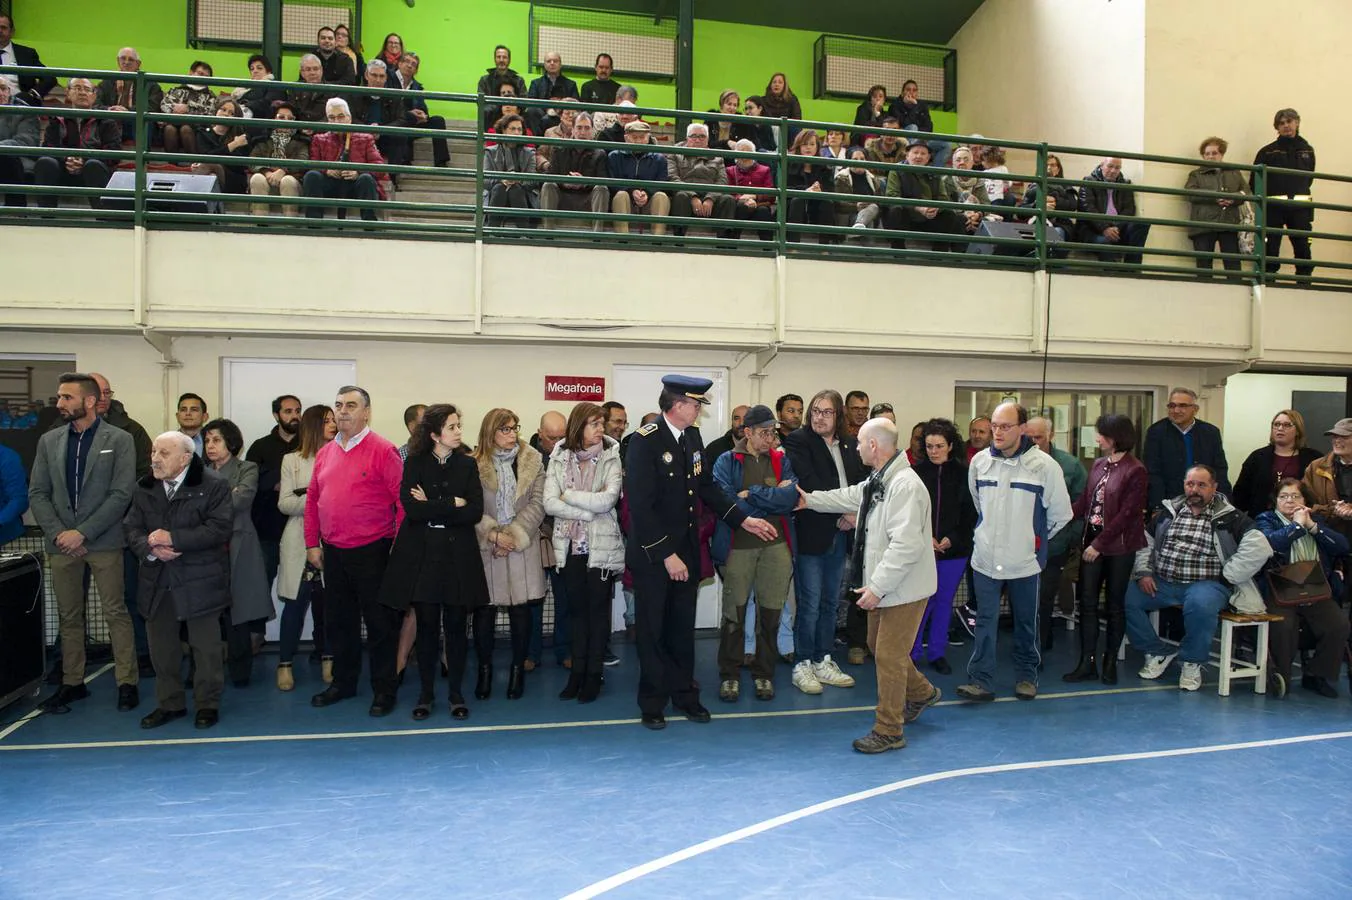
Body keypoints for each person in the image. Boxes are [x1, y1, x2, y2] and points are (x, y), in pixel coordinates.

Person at [625, 375, 777, 729]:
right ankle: (652, 702)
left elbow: (706, 487)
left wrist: (744, 519)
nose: (698, 412)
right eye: (696, 405)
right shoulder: (643, 442)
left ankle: (684, 695)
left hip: (687, 552)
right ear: (677, 405)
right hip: (654, 556)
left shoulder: (691, 438)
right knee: (652, 630)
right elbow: (641, 507)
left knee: (681, 629)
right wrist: (666, 554)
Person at [798, 418, 939, 754]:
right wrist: (810, 500)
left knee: (889, 656)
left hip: (902, 588)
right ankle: (921, 693)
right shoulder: (880, 480)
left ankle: (889, 730)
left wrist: (876, 587)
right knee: (881, 647)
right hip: (887, 585)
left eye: (860, 442)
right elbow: (849, 496)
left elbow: (906, 547)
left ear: (874, 446)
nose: (856, 447)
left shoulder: (905, 486)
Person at [28, 373, 139, 714]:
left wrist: (84, 532)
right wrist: (61, 533)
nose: (59, 403)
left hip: (104, 541)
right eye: (60, 397)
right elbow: (38, 492)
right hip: (61, 544)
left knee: (115, 612)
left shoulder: (119, 439)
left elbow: (122, 494)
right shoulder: (50, 441)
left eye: (66, 397)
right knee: (69, 616)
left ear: (89, 401)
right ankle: (72, 682)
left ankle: (127, 682)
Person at [378, 404, 489, 721]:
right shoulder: (413, 463)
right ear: (434, 433)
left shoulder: (467, 465)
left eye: (458, 426)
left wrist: (434, 505)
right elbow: (412, 509)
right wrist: (451, 503)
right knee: (425, 629)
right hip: (423, 557)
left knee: (456, 628)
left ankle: (455, 693)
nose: (458, 432)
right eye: (452, 427)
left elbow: (474, 512)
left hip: (457, 557)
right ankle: (425, 694)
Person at [958, 402, 1072, 703]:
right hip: (984, 559)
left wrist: (1032, 540)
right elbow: (978, 504)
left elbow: (1061, 515)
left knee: (1025, 621)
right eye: (994, 425)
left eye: (1005, 426)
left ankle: (1026, 676)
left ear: (1022, 429)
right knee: (984, 620)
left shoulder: (1045, 467)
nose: (997, 432)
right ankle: (980, 680)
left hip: (1025, 563)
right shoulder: (979, 463)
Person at [1126, 465, 1272, 691]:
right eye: (1190, 484)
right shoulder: (1169, 511)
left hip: (1208, 585)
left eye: (1201, 485)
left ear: (1214, 488)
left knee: (1200, 604)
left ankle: (1192, 661)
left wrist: (1228, 577)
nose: (1194, 490)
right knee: (1127, 597)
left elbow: (1260, 547)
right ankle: (1157, 651)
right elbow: (1146, 540)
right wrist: (1144, 572)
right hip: (1164, 581)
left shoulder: (1231, 517)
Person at [306, 386, 405, 716]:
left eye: (350, 405)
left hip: (373, 551)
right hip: (333, 552)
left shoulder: (383, 450)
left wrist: (397, 548)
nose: (342, 411)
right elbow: (312, 501)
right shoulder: (325, 453)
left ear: (367, 412)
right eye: (338, 405)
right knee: (340, 623)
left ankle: (384, 691)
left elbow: (402, 503)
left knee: (380, 627)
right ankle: (343, 684)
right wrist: (311, 543)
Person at [125, 432, 233, 730]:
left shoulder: (214, 485)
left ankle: (207, 704)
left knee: (206, 649)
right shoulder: (144, 487)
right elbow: (131, 528)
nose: (155, 459)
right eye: (153, 452)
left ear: (185, 457)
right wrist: (150, 549)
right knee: (163, 650)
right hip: (157, 578)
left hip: (201, 579)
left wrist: (175, 539)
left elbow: (219, 528)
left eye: (164, 453)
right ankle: (170, 704)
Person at [711, 405, 798, 702]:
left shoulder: (780, 460)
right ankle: (730, 675)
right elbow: (725, 502)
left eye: (774, 433)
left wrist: (752, 494)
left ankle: (764, 674)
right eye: (764, 433)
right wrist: (765, 501)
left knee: (771, 613)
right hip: (738, 548)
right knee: (733, 613)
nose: (771, 439)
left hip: (777, 547)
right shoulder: (726, 461)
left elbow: (789, 499)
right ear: (747, 432)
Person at [783, 389, 866, 693]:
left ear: (838, 415)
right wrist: (844, 510)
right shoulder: (799, 441)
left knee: (832, 602)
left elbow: (859, 483)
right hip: (813, 533)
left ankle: (823, 659)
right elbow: (809, 484)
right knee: (810, 603)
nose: (819, 417)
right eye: (815, 411)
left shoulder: (850, 444)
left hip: (843, 533)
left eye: (826, 412)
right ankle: (803, 663)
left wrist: (853, 512)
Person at [543, 403, 623, 703]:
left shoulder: (611, 457)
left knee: (597, 615)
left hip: (601, 547)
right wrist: (586, 512)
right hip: (569, 545)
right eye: (594, 424)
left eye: (602, 424)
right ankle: (576, 673)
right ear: (579, 427)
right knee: (576, 613)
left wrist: (572, 497)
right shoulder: (559, 457)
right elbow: (550, 503)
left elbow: (607, 500)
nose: (601, 429)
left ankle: (593, 674)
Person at [1062, 414, 1147, 684]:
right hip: (1093, 543)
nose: (1097, 439)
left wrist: (1099, 544)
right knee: (1086, 603)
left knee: (1114, 605)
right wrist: (1059, 515)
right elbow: (1086, 502)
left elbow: (1127, 514)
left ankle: (1109, 661)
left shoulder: (1135, 470)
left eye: (1101, 434)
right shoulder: (1098, 465)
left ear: (1114, 437)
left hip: (1119, 547)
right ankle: (1087, 661)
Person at [471, 408, 545, 700]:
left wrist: (513, 535)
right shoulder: (473, 465)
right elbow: (472, 506)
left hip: (521, 546)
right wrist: (494, 535)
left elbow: (538, 504)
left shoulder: (533, 462)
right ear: (490, 432)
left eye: (515, 428)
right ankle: (485, 671)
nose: (512, 434)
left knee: (521, 611)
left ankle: (517, 671)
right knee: (485, 612)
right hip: (488, 547)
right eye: (505, 429)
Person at [1253, 478, 1349, 698]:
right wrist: (1296, 526)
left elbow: (1342, 546)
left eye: (1295, 496)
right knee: (1283, 625)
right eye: (1284, 496)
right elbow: (1270, 544)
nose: (1289, 501)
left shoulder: (1314, 520)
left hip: (1315, 587)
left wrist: (1312, 527)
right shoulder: (1266, 520)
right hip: (1280, 588)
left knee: (1338, 624)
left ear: (1305, 500)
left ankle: (1316, 675)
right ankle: (1280, 677)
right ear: (1275, 501)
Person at [202, 418, 275, 687]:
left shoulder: (248, 467)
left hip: (238, 546)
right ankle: (202, 671)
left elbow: (240, 500)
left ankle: (240, 671)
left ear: (231, 443)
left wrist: (207, 502)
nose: (210, 445)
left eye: (217, 440)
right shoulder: (198, 471)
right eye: (208, 440)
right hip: (206, 548)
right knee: (206, 613)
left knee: (239, 612)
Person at [276, 405, 336, 691]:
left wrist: (314, 499)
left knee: (328, 607)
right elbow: (285, 503)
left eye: (334, 420)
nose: (333, 425)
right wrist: (318, 500)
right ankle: (285, 664)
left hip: (332, 542)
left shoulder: (339, 457)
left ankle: (328, 658)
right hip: (298, 543)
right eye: (327, 421)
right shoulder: (292, 461)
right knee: (294, 607)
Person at [910, 418, 976, 675]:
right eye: (929, 446)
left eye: (939, 446)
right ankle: (913, 652)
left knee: (943, 601)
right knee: (921, 602)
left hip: (953, 551)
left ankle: (937, 652)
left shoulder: (964, 474)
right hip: (921, 550)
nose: (933, 451)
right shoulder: (914, 474)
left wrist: (952, 539)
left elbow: (970, 515)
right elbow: (909, 513)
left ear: (950, 446)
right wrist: (925, 538)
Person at [1024, 416, 1086, 653]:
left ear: (1050, 436)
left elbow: (1081, 505)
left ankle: (1040, 643)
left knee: (1045, 597)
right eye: (1028, 437)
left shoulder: (1070, 466)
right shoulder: (1017, 462)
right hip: (1022, 543)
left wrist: (1072, 538)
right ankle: (1028, 642)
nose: (1033, 442)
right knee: (1024, 598)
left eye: (1038, 437)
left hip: (1056, 544)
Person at [245, 394, 301, 601]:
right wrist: (277, 482)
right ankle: (256, 632)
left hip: (299, 527)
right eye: (288, 411)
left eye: (297, 411)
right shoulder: (260, 447)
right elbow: (251, 481)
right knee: (261, 583)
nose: (295, 416)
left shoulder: (308, 445)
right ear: (276, 416)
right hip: (266, 529)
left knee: (298, 588)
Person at [32, 78, 120, 210]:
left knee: (93, 165)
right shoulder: (57, 120)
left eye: (87, 89)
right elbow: (48, 147)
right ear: (67, 93)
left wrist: (84, 159)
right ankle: (46, 216)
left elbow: (114, 152)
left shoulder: (106, 121)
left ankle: (103, 217)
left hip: (94, 171)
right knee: (45, 162)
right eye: (77, 88)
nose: (82, 93)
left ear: (94, 95)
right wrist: (67, 159)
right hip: (63, 170)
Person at [303, 98, 389, 222]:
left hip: (355, 185)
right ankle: (313, 223)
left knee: (366, 179)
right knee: (312, 176)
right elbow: (312, 164)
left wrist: (358, 172)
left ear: (349, 118)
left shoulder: (366, 138)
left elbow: (379, 167)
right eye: (332, 118)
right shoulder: (319, 139)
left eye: (341, 116)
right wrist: (327, 170)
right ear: (327, 121)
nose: (337, 121)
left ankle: (369, 224)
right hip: (330, 184)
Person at [1252, 108, 1315, 279]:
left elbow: (1309, 178)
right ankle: (1269, 278)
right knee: (1270, 244)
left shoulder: (1307, 151)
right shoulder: (1267, 152)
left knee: (1302, 244)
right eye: (1281, 123)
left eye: (1289, 121)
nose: (1286, 126)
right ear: (1277, 128)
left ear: (1297, 122)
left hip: (1300, 207)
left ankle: (1304, 278)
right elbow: (1255, 181)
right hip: (1274, 207)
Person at [1143, 387, 1229, 512]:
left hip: (1204, 501)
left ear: (1195, 409)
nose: (1176, 410)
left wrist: (1223, 503)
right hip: (1169, 502)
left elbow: (1219, 469)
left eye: (1182, 406)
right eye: (1172, 406)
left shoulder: (1210, 432)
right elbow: (1153, 472)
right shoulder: (1156, 432)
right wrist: (1157, 506)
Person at [528, 411, 569, 671]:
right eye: (551, 437)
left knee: (564, 597)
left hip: (564, 535)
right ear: (539, 433)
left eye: (561, 437)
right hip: (533, 536)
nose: (556, 442)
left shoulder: (572, 455)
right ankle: (531, 652)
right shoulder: (527, 459)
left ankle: (564, 649)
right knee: (533, 597)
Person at [1231, 409, 1323, 518]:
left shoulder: (1313, 458)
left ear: (1298, 430)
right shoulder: (1257, 457)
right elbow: (1241, 493)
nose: (1280, 428)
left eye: (1287, 425)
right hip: (1261, 519)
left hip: (1302, 518)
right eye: (1277, 424)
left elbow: (1318, 493)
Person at [885, 139, 963, 251]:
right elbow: (892, 196)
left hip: (929, 217)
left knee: (949, 214)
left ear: (928, 158)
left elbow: (943, 198)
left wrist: (935, 208)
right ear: (907, 155)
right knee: (896, 210)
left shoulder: (935, 173)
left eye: (923, 154)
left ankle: (939, 254)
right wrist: (917, 207)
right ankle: (898, 251)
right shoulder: (896, 170)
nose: (919, 156)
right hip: (907, 216)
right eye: (915, 152)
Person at [1185, 137, 1248, 273]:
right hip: (1204, 225)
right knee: (1204, 266)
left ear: (1222, 154)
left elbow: (1246, 192)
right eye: (1207, 154)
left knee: (1233, 265)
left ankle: (1235, 290)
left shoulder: (1234, 172)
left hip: (1229, 223)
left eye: (1214, 153)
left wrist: (1233, 198)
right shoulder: (1196, 174)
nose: (1210, 157)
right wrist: (1215, 197)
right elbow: (1190, 193)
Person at [538, 112, 609, 231]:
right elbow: (550, 175)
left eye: (587, 128)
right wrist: (565, 181)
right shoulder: (559, 149)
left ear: (592, 131)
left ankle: (597, 235)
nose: (582, 132)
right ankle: (547, 232)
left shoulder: (600, 153)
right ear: (573, 130)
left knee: (602, 188)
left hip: (587, 197)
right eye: (579, 127)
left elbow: (603, 179)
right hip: (563, 195)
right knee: (548, 185)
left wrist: (584, 182)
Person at [1076, 157, 1151, 265]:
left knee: (1141, 225)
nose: (1113, 171)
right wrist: (1105, 228)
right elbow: (1087, 209)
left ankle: (1132, 269)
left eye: (1117, 168)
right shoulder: (1088, 182)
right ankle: (1112, 274)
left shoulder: (1125, 184)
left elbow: (1129, 210)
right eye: (1110, 166)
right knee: (1105, 242)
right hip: (1093, 230)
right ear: (1102, 166)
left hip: (1117, 229)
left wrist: (1116, 227)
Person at [667, 123, 733, 235]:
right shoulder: (675, 154)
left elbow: (722, 181)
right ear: (687, 138)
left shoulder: (717, 157)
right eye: (694, 136)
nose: (698, 140)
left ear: (707, 139)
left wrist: (710, 198)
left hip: (710, 199)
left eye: (702, 136)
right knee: (680, 196)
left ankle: (725, 244)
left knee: (728, 199)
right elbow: (673, 178)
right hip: (686, 198)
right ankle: (678, 240)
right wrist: (693, 196)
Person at [607, 120, 670, 234]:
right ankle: (623, 239)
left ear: (648, 138)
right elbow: (613, 183)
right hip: (626, 203)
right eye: (634, 137)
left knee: (661, 196)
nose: (639, 141)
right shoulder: (614, 156)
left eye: (642, 137)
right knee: (621, 195)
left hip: (649, 203)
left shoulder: (659, 159)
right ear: (626, 138)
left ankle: (658, 239)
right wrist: (631, 191)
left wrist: (647, 192)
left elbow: (662, 182)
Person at [247, 102, 309, 217]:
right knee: (257, 178)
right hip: (267, 180)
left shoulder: (302, 142)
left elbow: (302, 161)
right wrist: (266, 171)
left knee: (288, 181)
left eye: (290, 118)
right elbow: (252, 161)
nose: (286, 121)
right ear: (273, 119)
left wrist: (283, 170)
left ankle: (290, 224)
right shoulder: (262, 140)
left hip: (292, 185)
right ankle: (260, 224)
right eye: (281, 117)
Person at [349, 59, 412, 166]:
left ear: (386, 78)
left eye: (381, 76)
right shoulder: (355, 95)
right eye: (374, 75)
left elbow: (402, 120)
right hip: (361, 136)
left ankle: (392, 178)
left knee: (400, 136)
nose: (378, 80)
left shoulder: (394, 96)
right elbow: (350, 118)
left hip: (385, 137)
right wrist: (368, 130)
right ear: (366, 75)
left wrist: (381, 130)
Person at [393, 52, 450, 168]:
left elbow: (423, 108)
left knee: (438, 120)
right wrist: (409, 114)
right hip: (394, 121)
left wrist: (423, 116)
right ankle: (404, 159)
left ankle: (441, 162)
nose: (409, 66)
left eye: (413, 64)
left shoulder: (417, 86)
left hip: (412, 122)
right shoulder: (389, 79)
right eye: (407, 62)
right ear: (399, 63)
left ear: (416, 70)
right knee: (407, 118)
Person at [95, 48, 163, 142]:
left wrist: (128, 111)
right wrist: (109, 109)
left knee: (144, 122)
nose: (126, 62)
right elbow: (95, 103)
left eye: (131, 59)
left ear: (138, 64)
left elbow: (152, 106)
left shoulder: (149, 84)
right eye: (123, 58)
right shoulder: (106, 83)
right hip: (111, 120)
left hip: (134, 122)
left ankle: (141, 156)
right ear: (118, 61)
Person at [1302, 417, 1352, 542]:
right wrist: (1332, 510)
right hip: (1328, 539)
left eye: (1344, 437)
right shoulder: (1316, 467)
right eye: (1334, 437)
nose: (1337, 441)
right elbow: (1305, 503)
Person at [484, 113, 537, 228]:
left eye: (519, 129)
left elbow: (533, 181)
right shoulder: (490, 152)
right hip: (496, 196)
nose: (517, 132)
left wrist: (518, 180)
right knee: (499, 187)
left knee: (515, 189)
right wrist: (502, 180)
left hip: (521, 198)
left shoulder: (529, 153)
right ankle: (492, 231)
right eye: (513, 129)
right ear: (503, 130)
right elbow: (485, 181)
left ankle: (524, 232)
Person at [192, 96, 251, 195]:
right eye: (223, 109)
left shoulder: (241, 137)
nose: (226, 114)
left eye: (231, 113)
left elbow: (240, 165)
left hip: (233, 180)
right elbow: (206, 155)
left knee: (210, 165)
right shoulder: (203, 133)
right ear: (216, 111)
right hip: (210, 173)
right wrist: (232, 146)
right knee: (210, 173)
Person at [785, 130, 835, 243]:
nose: (808, 147)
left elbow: (831, 189)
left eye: (812, 144)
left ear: (817, 147)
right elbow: (785, 188)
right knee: (797, 200)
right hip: (791, 206)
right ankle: (793, 244)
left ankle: (824, 246)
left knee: (827, 202)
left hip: (815, 206)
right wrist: (805, 190)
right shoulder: (789, 163)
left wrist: (820, 190)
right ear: (799, 145)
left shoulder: (824, 166)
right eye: (805, 144)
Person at [0, 13, 58, 106]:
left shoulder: (26, 54)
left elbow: (50, 78)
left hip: (19, 106)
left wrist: (31, 95)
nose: (0, 30)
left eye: (3, 27)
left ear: (12, 31)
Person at [160, 61, 217, 155]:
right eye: (200, 74)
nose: (203, 78)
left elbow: (210, 113)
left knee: (185, 129)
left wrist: (188, 110)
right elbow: (164, 105)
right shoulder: (176, 90)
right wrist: (174, 110)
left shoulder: (210, 97)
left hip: (196, 129)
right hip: (173, 122)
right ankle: (172, 164)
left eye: (206, 77)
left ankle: (193, 162)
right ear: (191, 72)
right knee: (169, 129)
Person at [890, 79, 950, 166]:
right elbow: (904, 124)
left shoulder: (922, 106)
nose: (911, 92)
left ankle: (935, 174)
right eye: (908, 90)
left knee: (946, 145)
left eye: (914, 90)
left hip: (922, 139)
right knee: (913, 127)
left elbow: (929, 127)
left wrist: (920, 137)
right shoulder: (895, 105)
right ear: (902, 92)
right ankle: (913, 160)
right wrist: (914, 107)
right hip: (904, 141)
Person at [725, 140, 775, 240]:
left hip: (760, 205)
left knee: (763, 211)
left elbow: (771, 195)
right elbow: (729, 192)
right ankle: (732, 244)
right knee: (741, 206)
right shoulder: (730, 171)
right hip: (739, 206)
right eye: (741, 153)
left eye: (748, 153)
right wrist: (744, 199)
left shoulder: (765, 170)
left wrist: (754, 196)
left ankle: (768, 249)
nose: (744, 157)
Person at [0, 79, 38, 207]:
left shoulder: (24, 111)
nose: (0, 93)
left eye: (3, 88)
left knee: (7, 154)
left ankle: (16, 210)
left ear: (9, 91)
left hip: (19, 160)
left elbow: (26, 141)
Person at [525, 50, 579, 136]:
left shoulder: (571, 84)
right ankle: (535, 143)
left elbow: (576, 105)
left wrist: (560, 104)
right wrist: (548, 107)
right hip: (541, 114)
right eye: (549, 61)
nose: (552, 63)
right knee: (531, 111)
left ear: (560, 64)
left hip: (563, 115)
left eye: (555, 61)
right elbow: (531, 102)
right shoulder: (535, 83)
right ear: (544, 64)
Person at [477, 44, 527, 129]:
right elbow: (480, 101)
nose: (501, 60)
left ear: (509, 60)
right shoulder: (484, 80)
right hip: (492, 113)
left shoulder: (519, 80)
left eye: (504, 57)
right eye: (498, 57)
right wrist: (500, 107)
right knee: (486, 110)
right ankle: (485, 140)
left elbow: (524, 101)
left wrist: (511, 107)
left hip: (514, 112)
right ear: (494, 59)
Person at [235, 54, 286, 120]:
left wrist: (244, 106)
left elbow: (267, 104)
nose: (255, 71)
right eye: (252, 69)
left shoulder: (275, 86)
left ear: (268, 71)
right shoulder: (243, 89)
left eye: (259, 68)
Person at [176, 392, 207, 457]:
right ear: (177, 416)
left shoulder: (215, 442)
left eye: (194, 410)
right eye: (183, 410)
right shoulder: (167, 442)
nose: (188, 413)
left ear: (204, 417)